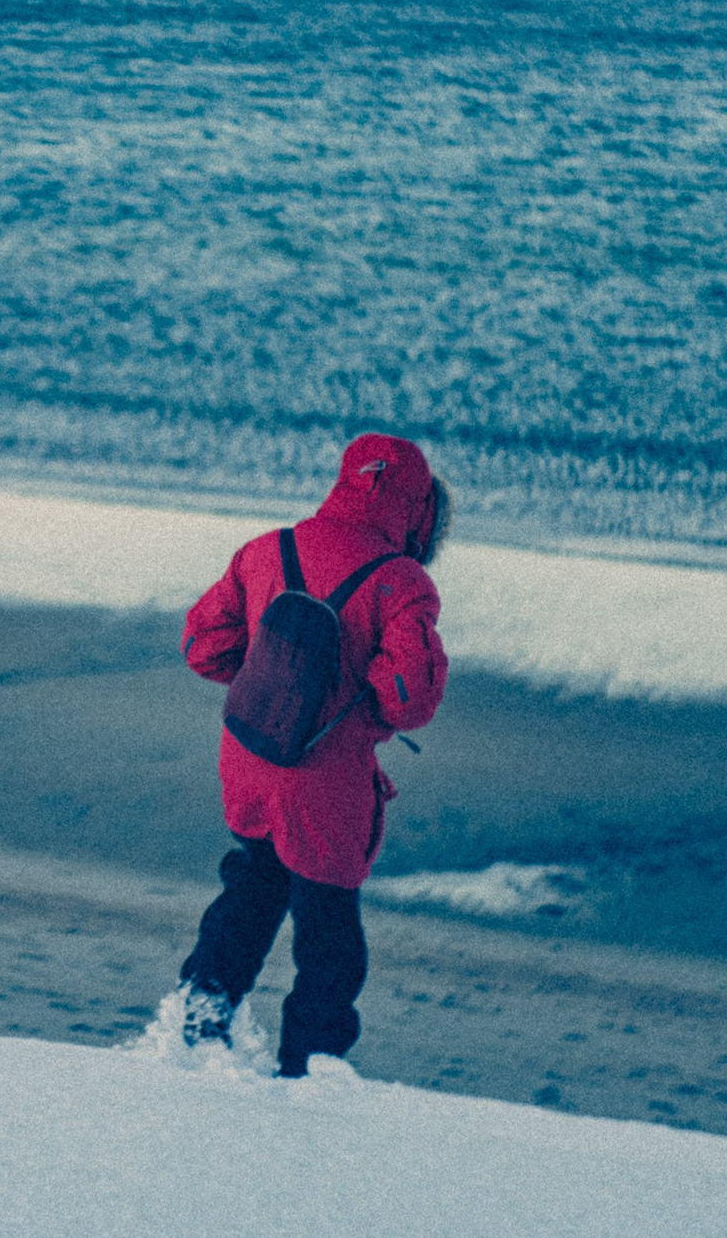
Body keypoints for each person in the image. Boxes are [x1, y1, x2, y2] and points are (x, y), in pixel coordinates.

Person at [174, 432, 449, 1077]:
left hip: (253, 753)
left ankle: (199, 1018)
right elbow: (409, 697)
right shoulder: (401, 583)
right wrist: (358, 698)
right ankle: (309, 1069)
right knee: (329, 934)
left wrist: (275, 680)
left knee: (253, 885)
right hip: (326, 777)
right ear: (417, 509)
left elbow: (203, 646)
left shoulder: (267, 549)